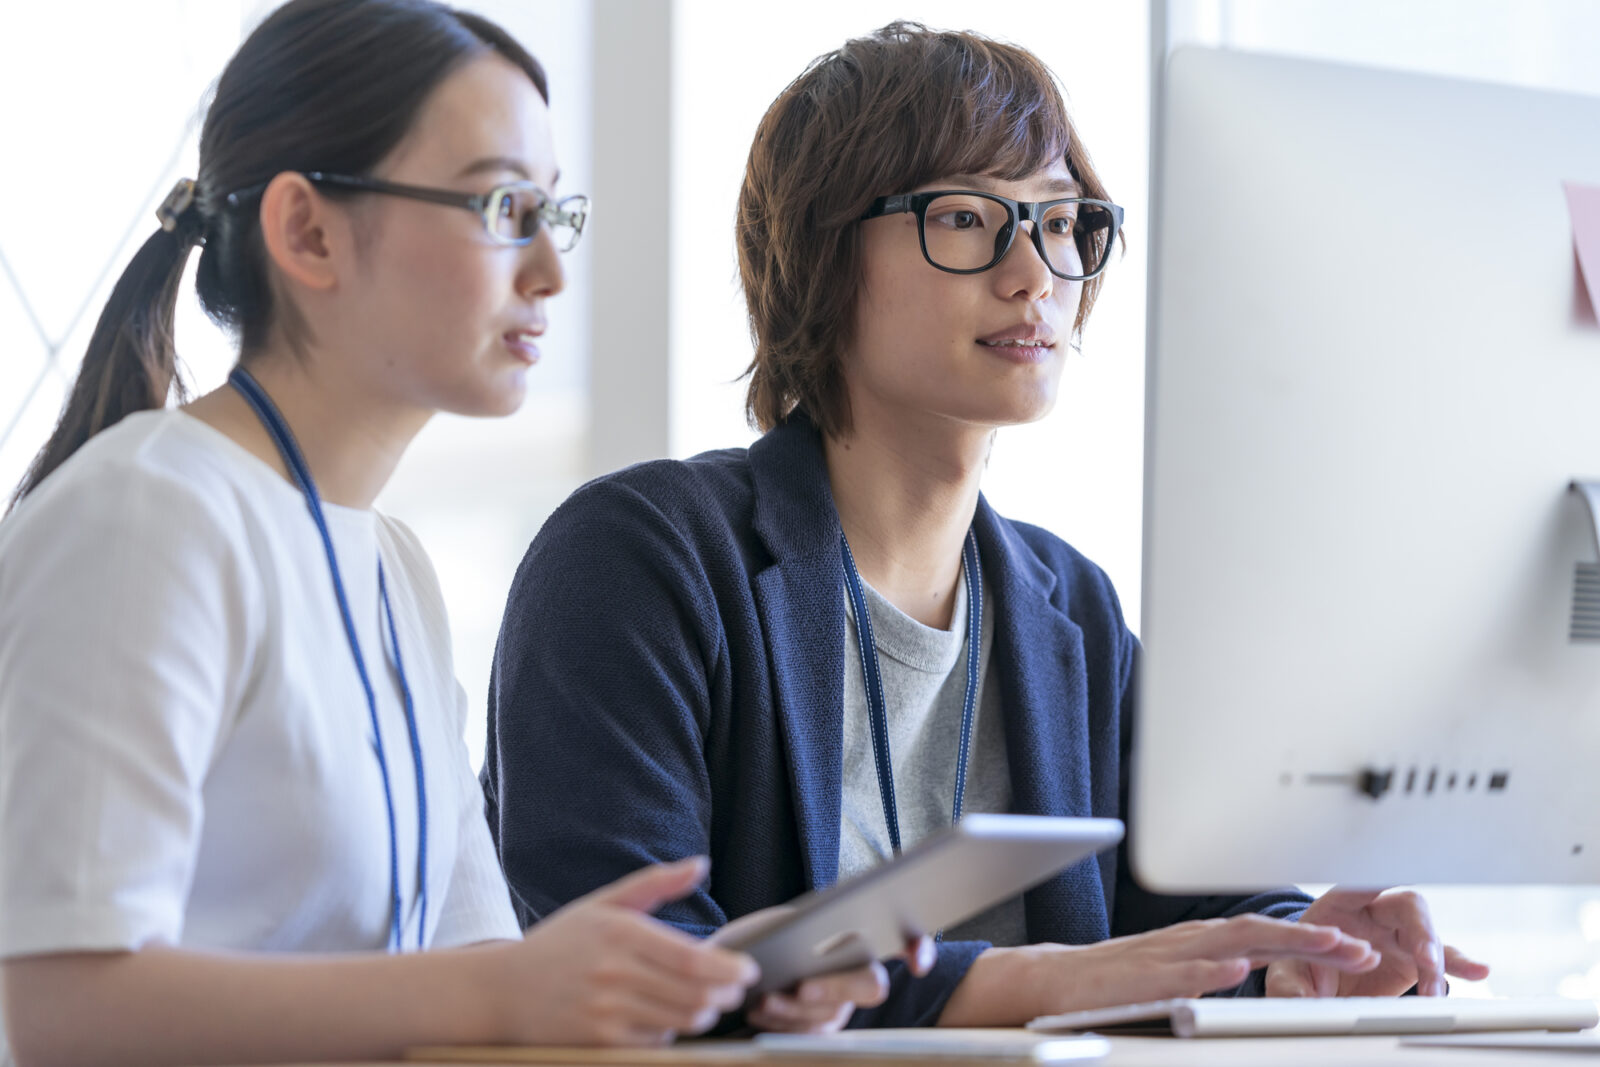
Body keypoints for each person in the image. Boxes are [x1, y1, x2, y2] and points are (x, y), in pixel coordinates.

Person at [482, 21, 1491, 1031]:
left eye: (1059, 222)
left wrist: (1300, 947)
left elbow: (1175, 904)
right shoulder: (642, 558)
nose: (1033, 274)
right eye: (965, 218)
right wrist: (1024, 981)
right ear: (821, 257)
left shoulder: (1069, 606)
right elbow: (633, 969)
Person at [0, 1, 886, 1061]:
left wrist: (709, 975)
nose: (551, 272)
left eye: (553, 215)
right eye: (503, 206)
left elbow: (473, 958)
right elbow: (61, 1006)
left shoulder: (390, 562)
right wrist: (506, 991)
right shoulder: (146, 518)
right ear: (309, 232)